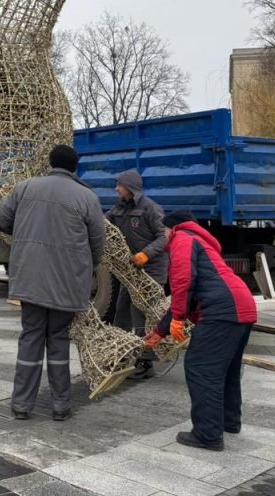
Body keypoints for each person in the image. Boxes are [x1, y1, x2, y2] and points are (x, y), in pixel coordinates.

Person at [0, 144, 106, 422]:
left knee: (30, 337)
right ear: (74, 168)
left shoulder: (25, 188)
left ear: (50, 162)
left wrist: (21, 232)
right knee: (58, 340)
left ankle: (21, 405)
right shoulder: (87, 197)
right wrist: (84, 264)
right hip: (67, 283)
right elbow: (98, 244)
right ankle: (61, 406)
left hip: (29, 279)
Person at [144, 210, 258, 451]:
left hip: (222, 311)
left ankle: (207, 434)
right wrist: (161, 330)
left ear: (171, 228)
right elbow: (194, 289)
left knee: (201, 368)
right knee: (226, 370)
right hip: (242, 307)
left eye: (163, 232)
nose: (162, 237)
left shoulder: (183, 239)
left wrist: (178, 318)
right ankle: (228, 422)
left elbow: (184, 280)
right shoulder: (202, 243)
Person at [105, 169, 168, 380]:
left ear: (129, 187)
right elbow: (104, 224)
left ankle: (145, 361)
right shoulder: (119, 209)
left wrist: (145, 254)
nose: (116, 188)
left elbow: (164, 237)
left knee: (140, 312)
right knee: (122, 307)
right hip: (132, 270)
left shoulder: (151, 208)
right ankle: (120, 350)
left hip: (151, 269)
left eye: (119, 185)